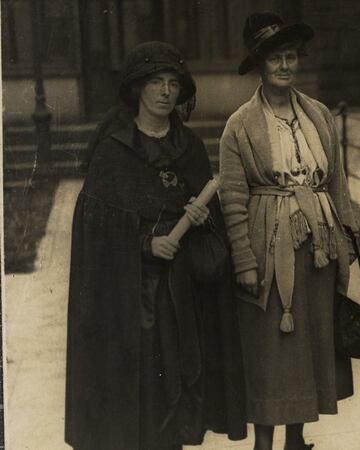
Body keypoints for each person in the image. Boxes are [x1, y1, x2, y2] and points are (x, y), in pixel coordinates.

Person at [65, 41, 247, 450]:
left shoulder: (190, 147)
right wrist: (147, 244)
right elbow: (94, 233)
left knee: (180, 383)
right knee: (143, 387)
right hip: (134, 297)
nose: (165, 92)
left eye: (173, 83)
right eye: (155, 82)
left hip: (183, 292)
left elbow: (212, 223)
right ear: (137, 89)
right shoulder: (113, 151)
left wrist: (201, 217)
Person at [219, 11, 358, 450]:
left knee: (309, 343)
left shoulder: (318, 114)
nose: (284, 65)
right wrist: (244, 260)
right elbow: (232, 199)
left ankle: (296, 441)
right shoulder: (239, 124)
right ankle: (264, 444)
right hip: (268, 246)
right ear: (260, 65)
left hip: (318, 247)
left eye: (291, 56)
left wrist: (346, 237)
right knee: (272, 348)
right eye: (275, 58)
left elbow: (337, 182)